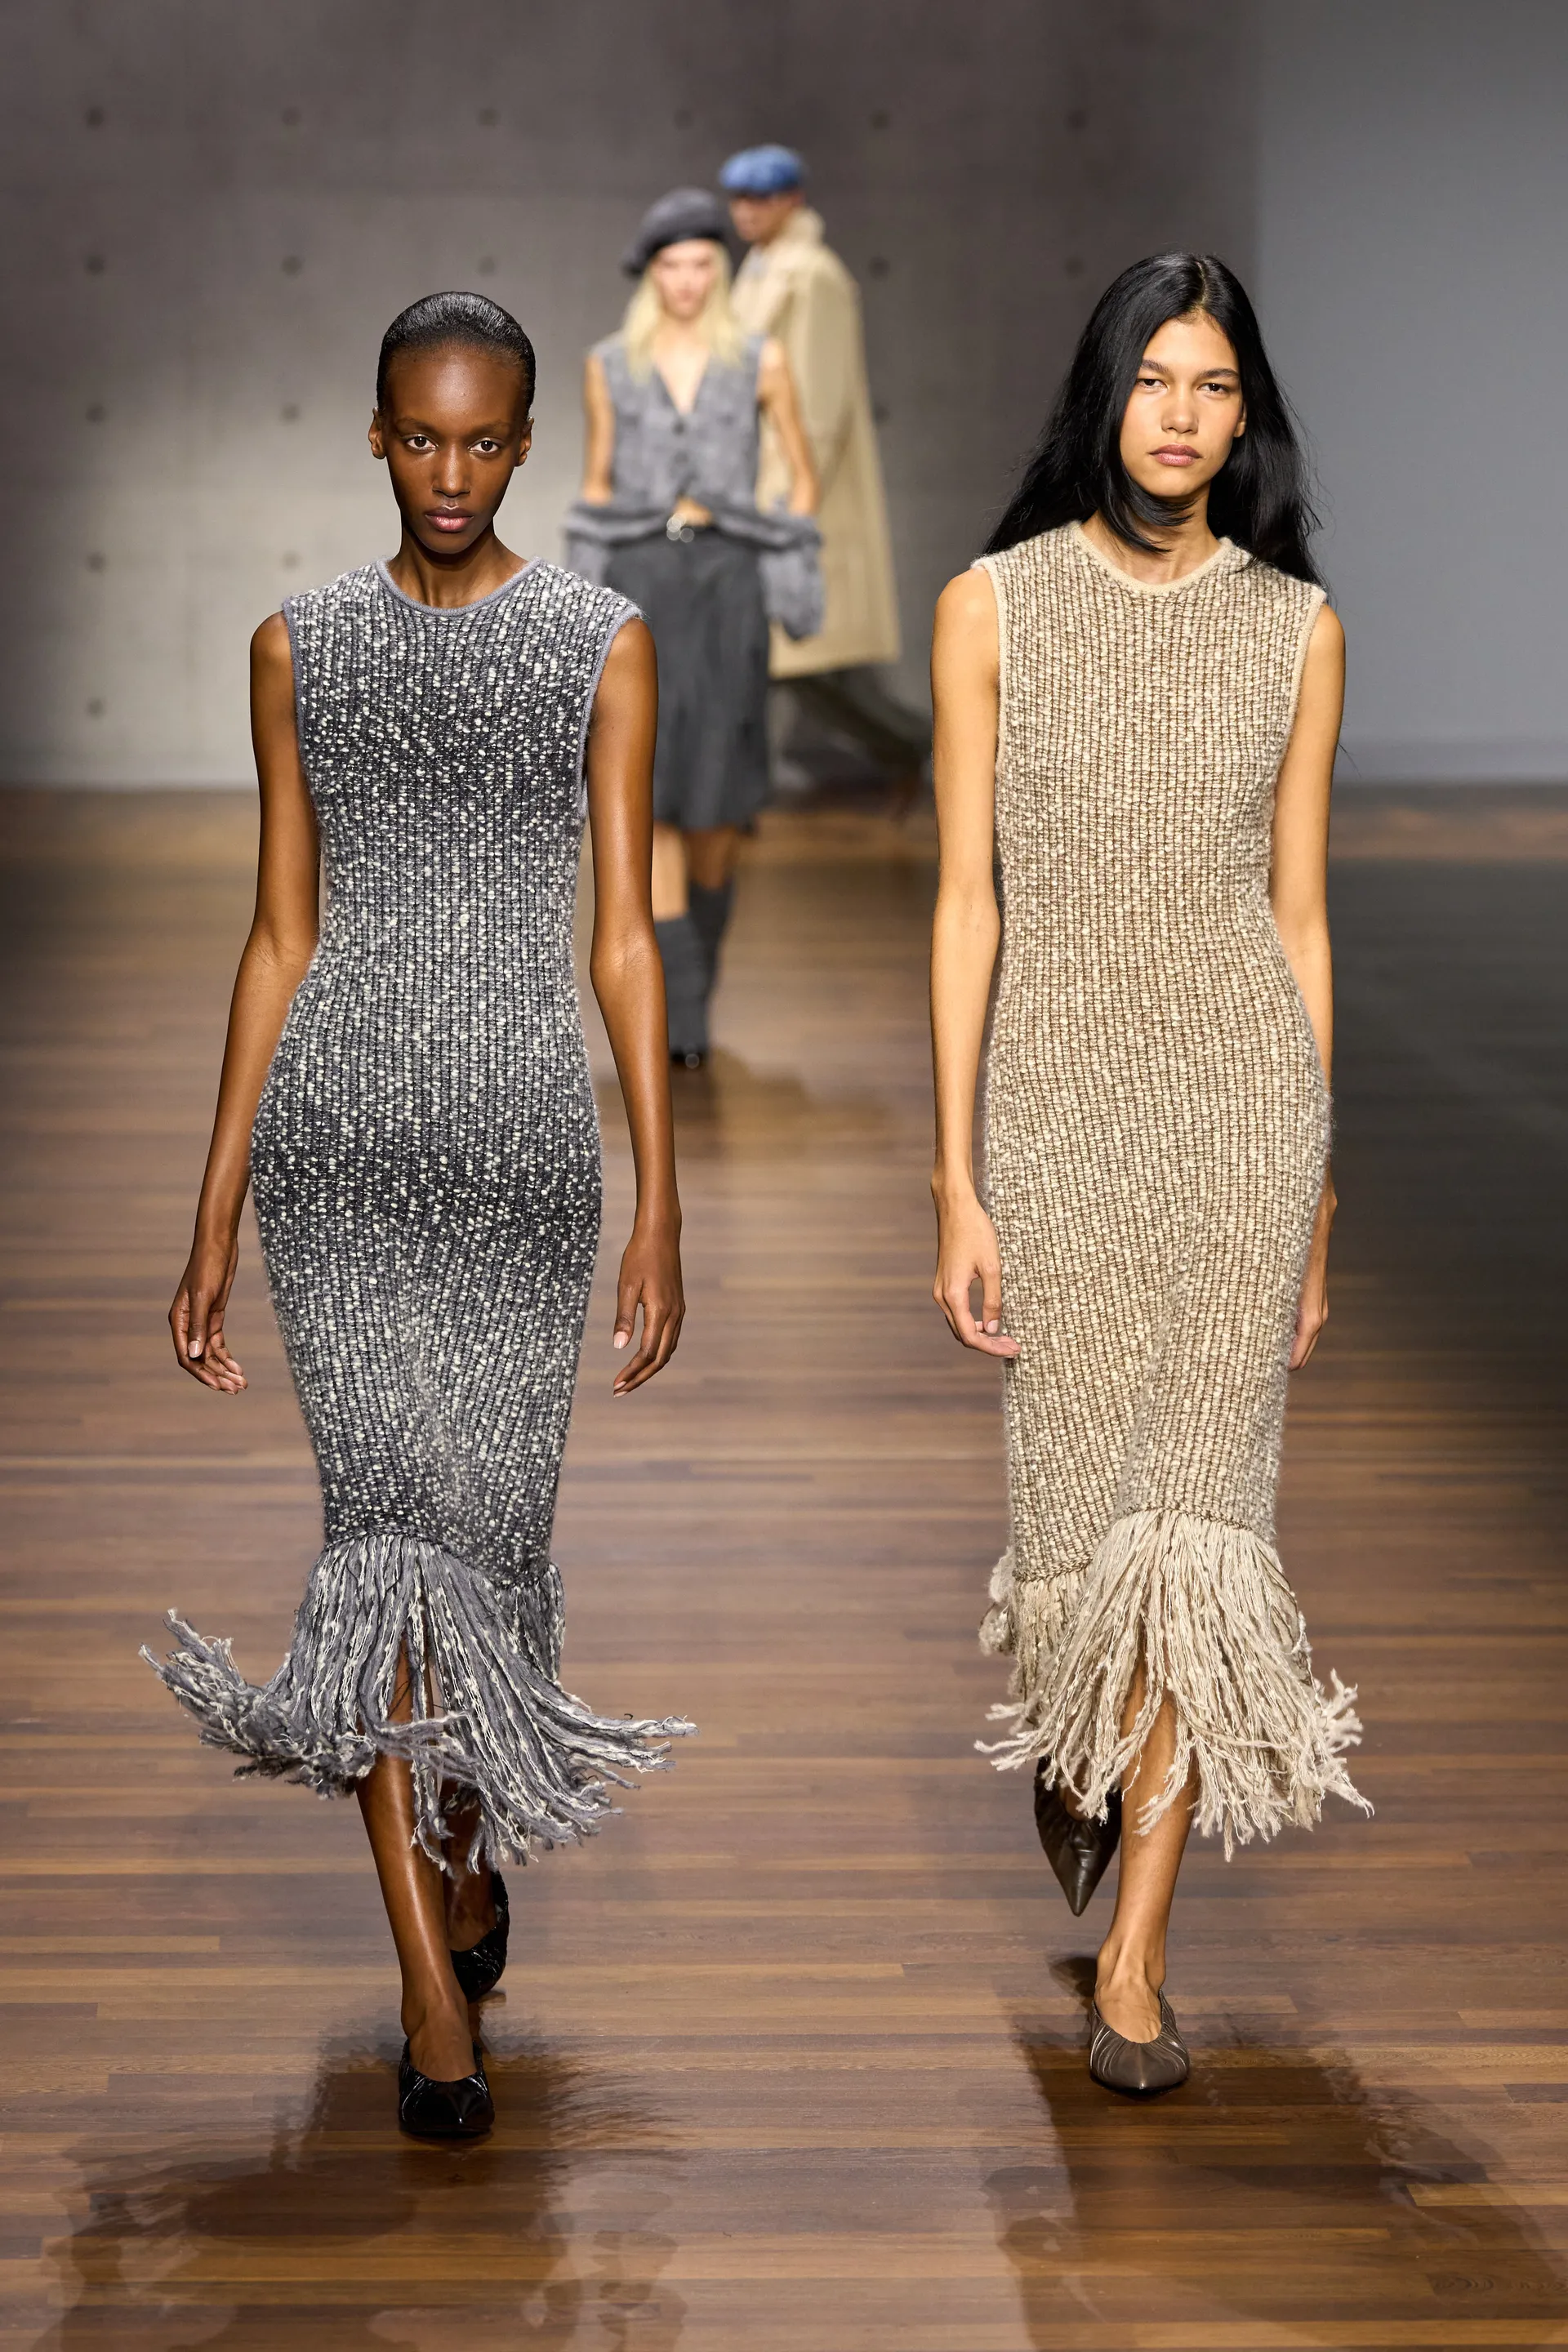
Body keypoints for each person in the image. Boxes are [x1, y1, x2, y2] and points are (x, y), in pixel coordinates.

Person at [145, 291, 692, 2142]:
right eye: (421, 435)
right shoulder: (295, 647)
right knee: (382, 1546)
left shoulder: (601, 643)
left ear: (525, 442)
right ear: (375, 433)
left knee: (491, 1546)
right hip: (345, 1155)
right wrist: (215, 1205)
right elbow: (277, 933)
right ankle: (426, 1993)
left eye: (484, 439)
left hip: (525, 1155)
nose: (451, 471)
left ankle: (463, 1838)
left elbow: (626, 935)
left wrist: (661, 1197)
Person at [928, 252, 1369, 2097]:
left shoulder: (1296, 627)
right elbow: (966, 903)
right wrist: (955, 1178)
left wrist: (1317, 1187)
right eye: (1155, 379)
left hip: (1242, 1117)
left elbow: (1300, 916)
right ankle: (1080, 1749)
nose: (1182, 416)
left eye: (1215, 385)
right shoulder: (992, 608)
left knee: (1198, 1535)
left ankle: (1137, 1959)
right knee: (1074, 1537)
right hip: (1055, 1113)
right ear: (1101, 394)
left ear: (1246, 414)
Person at [565, 188, 820, 1067]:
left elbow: (802, 473)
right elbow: (597, 482)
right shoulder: (609, 364)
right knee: (654, 788)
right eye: (671, 265)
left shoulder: (759, 359)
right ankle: (682, 1014)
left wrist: (790, 562)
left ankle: (695, 972)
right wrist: (581, 606)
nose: (685, 280)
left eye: (701, 263)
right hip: (640, 580)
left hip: (727, 583)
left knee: (720, 803)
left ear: (719, 268)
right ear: (651, 274)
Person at [721, 144, 927, 804]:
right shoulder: (760, 269)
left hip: (794, 483)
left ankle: (907, 744)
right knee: (780, 650)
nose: (746, 211)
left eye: (761, 198)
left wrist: (792, 493)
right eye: (739, 198)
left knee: (795, 651)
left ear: (792, 200)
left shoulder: (811, 276)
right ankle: (902, 746)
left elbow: (816, 397)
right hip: (756, 480)